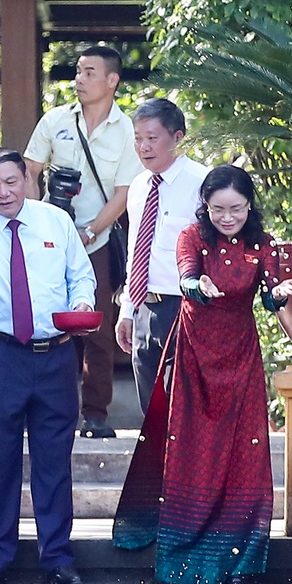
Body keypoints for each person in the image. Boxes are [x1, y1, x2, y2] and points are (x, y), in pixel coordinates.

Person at [112, 164, 292, 584]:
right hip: (194, 354)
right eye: (218, 210)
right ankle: (181, 557)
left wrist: (278, 296)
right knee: (190, 450)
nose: (227, 218)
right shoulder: (192, 237)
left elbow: (270, 293)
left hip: (241, 357)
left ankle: (241, 558)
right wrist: (198, 287)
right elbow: (187, 276)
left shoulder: (264, 244)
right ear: (205, 207)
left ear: (250, 206)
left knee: (243, 452)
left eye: (236, 209)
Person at [0, 145, 98, 584]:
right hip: (1, 355)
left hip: (55, 355)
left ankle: (56, 556)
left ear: (27, 180)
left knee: (54, 460)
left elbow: (81, 274)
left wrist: (82, 303)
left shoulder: (55, 220)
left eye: (11, 181)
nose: (3, 192)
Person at [23, 44, 133, 437]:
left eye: (89, 72)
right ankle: (52, 412)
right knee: (49, 324)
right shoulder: (55, 120)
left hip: (96, 240)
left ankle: (96, 414)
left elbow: (124, 192)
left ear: (112, 80)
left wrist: (89, 231)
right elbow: (30, 168)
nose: (79, 80)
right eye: (78, 72)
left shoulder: (127, 129)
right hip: (50, 240)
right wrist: (38, 218)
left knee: (98, 329)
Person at [113, 98, 209, 418]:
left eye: (152, 138)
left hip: (185, 308)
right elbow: (136, 252)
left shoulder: (203, 183)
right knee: (151, 414)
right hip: (144, 308)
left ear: (178, 137)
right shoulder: (139, 187)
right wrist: (128, 310)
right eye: (138, 138)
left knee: (182, 412)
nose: (143, 147)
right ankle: (159, 471)